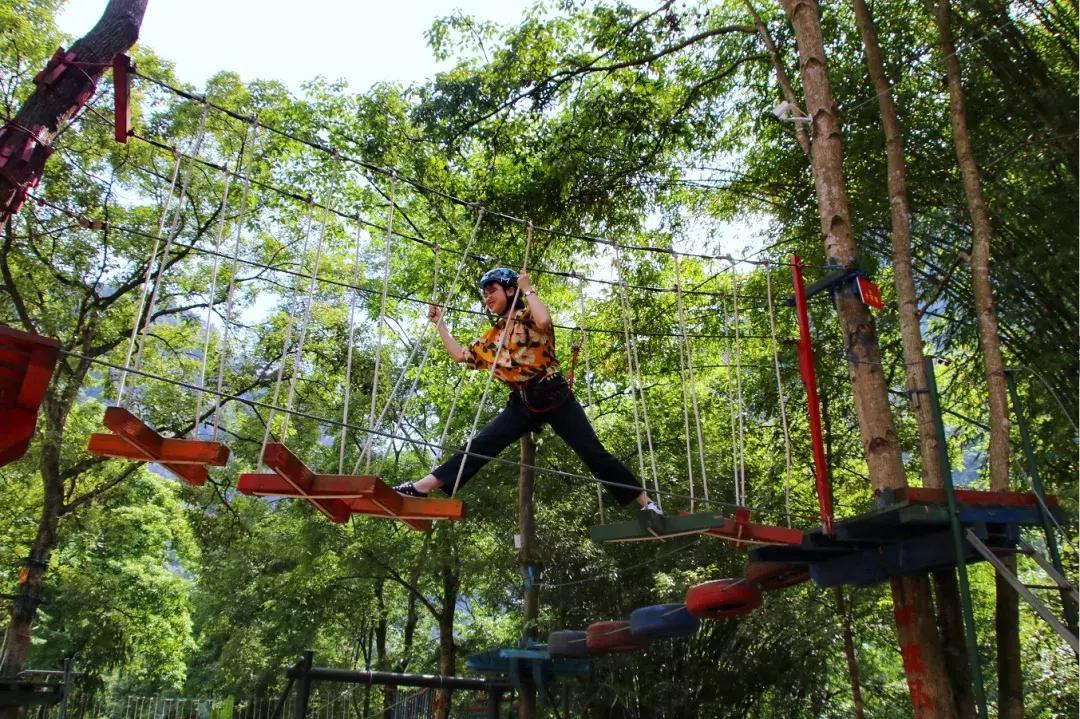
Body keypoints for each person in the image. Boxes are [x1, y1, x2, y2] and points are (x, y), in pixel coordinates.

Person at [394, 267, 663, 531]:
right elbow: (459, 355)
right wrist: (440, 324)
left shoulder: (529, 317)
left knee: (592, 452)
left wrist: (527, 288)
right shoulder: (493, 337)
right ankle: (422, 487)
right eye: (484, 294)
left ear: (510, 291)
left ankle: (648, 504)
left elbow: (544, 321)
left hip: (553, 394)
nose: (487, 298)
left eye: (492, 291)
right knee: (481, 444)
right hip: (522, 403)